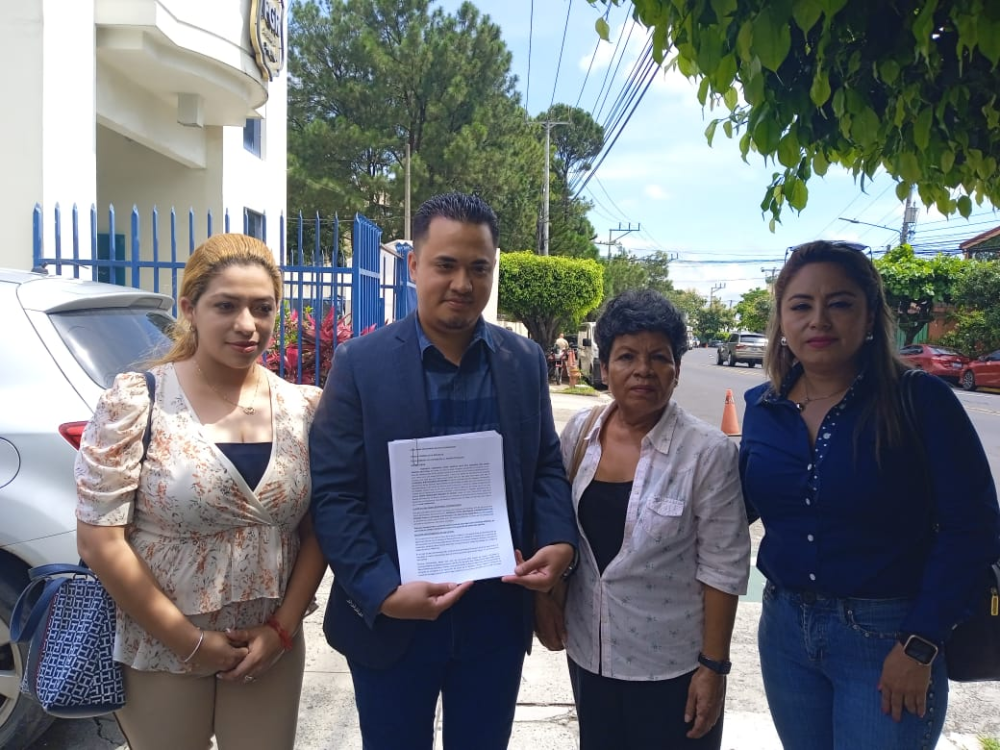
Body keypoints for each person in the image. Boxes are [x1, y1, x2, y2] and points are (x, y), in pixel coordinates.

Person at [309, 192, 578, 750]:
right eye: (446, 265)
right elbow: (335, 494)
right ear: (413, 266)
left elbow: (545, 465)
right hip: (394, 620)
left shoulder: (524, 361)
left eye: (479, 268)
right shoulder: (360, 365)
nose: (462, 283)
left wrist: (558, 541)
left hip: (494, 618)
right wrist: (383, 591)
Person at [739, 240, 1000, 749]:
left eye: (839, 303)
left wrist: (920, 644)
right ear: (782, 321)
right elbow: (737, 506)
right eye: (801, 305)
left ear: (870, 316)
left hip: (888, 638)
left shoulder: (919, 400)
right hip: (785, 632)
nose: (818, 320)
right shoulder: (762, 407)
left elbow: (973, 528)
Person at [75, 234, 328, 750]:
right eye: (226, 306)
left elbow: (317, 530)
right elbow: (99, 541)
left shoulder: (304, 408)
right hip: (162, 643)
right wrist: (191, 644)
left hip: (267, 644)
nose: (247, 324)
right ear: (190, 309)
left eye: (262, 308)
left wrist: (281, 631)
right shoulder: (139, 401)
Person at [535, 289, 751, 749]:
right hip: (590, 655)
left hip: (674, 667)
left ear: (677, 369)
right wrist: (545, 599)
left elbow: (724, 567)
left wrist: (713, 668)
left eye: (659, 357)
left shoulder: (707, 453)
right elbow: (557, 526)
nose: (643, 370)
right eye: (627, 356)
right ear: (604, 367)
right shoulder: (580, 435)